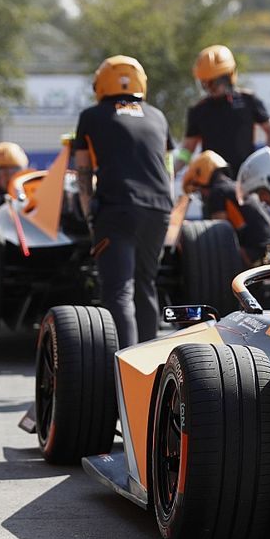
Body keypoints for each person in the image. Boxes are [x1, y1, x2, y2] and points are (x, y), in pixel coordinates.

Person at [73, 55, 174, 348]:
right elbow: (166, 170)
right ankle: (150, 370)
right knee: (145, 287)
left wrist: (88, 214)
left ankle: (121, 372)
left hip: (117, 208)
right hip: (158, 209)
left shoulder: (91, 116)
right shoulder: (158, 116)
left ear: (101, 84)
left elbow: (83, 171)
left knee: (119, 290)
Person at [173, 44, 270, 176]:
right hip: (213, 181)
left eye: (213, 82)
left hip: (246, 177)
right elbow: (188, 149)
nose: (208, 88)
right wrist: (172, 172)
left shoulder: (248, 100)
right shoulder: (198, 110)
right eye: (204, 83)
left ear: (228, 77)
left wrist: (268, 157)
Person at [182, 150, 270, 266]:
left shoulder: (217, 192)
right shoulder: (235, 188)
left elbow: (218, 234)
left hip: (255, 256)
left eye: (199, 188)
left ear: (203, 177)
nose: (202, 194)